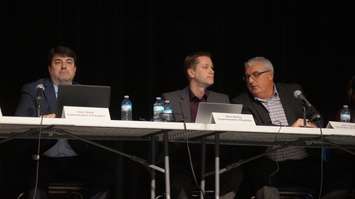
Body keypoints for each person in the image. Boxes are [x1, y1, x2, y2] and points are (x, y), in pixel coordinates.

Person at [14, 45, 114, 199]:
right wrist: (40, 121)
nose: (64, 66)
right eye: (58, 62)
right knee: (35, 180)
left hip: (77, 157)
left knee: (103, 176)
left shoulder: (88, 93)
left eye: (69, 62)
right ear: (50, 69)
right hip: (44, 158)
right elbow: (19, 121)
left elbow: (99, 125)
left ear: (74, 69)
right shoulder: (34, 89)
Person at [232, 57, 323, 199]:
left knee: (340, 174)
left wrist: (313, 125)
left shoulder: (293, 92)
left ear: (270, 75)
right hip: (268, 164)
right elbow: (255, 133)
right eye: (247, 76)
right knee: (258, 174)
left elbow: (316, 117)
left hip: (301, 163)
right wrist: (289, 130)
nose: (250, 81)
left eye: (255, 74)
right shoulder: (241, 102)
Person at [162, 51, 243, 199]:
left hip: (213, 160)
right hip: (183, 161)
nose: (212, 71)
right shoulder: (171, 98)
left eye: (212, 67)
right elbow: (166, 133)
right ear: (191, 72)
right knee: (178, 182)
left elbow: (231, 131)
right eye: (206, 67)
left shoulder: (222, 99)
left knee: (234, 173)